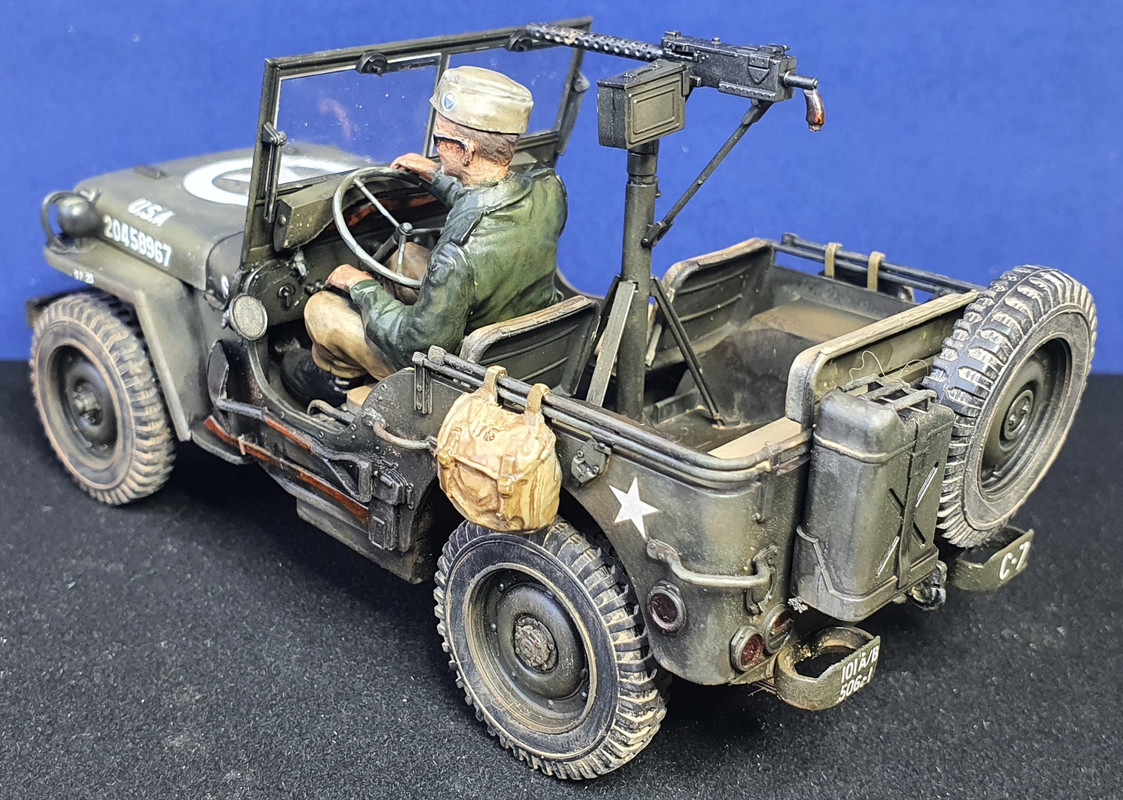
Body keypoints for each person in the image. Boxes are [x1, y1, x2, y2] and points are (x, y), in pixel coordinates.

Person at [284, 66, 567, 403]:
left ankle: (336, 379)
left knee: (321, 307)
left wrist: (361, 287)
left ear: (466, 151)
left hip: (460, 379)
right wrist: (437, 174)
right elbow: (491, 201)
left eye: (439, 141)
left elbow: (414, 344)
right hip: (521, 343)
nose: (436, 147)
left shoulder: (457, 254)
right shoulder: (549, 191)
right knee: (404, 257)